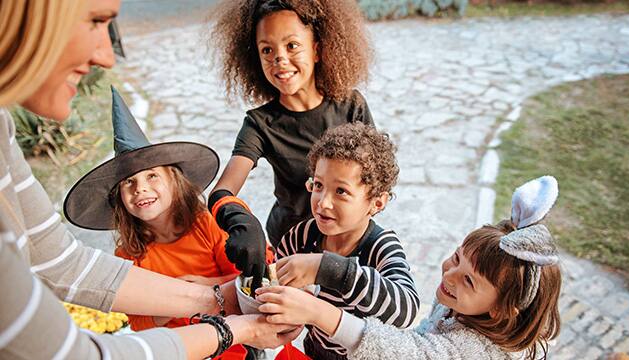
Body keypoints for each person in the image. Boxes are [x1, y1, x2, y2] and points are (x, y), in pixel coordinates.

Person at [0, 1, 299, 359]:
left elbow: (58, 262)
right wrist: (229, 327)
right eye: (96, 20)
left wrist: (219, 298)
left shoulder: (3, 130)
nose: (108, 57)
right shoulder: (130, 252)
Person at [258, 176, 563, 360]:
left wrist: (317, 310)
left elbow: (410, 351)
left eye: (469, 281)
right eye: (456, 259)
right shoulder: (466, 306)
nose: (449, 275)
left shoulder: (476, 351)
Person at [206, 0, 375, 292]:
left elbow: (372, 180)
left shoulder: (351, 106)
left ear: (318, 49)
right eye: (267, 50)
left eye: (292, 45)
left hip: (348, 239)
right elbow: (223, 190)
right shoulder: (260, 124)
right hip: (291, 240)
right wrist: (241, 220)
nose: (279, 59)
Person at [261, 123, 420, 359]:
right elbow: (275, 279)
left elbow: (406, 309)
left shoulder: (381, 246)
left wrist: (327, 268)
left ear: (377, 202)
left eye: (341, 191)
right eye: (318, 185)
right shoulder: (301, 236)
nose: (323, 202)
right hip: (315, 350)